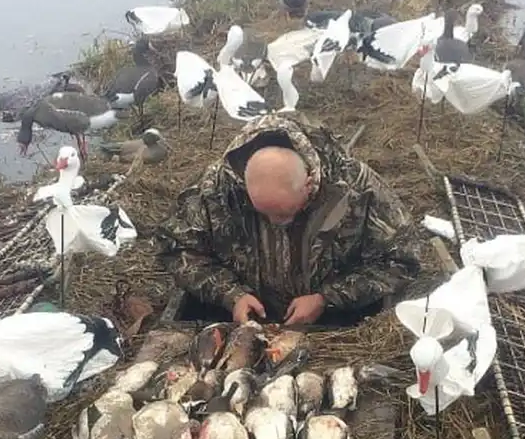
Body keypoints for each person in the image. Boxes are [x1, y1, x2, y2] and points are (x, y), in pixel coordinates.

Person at [157, 113, 420, 326]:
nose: (274, 222)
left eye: (284, 214)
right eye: (262, 213)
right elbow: (177, 248)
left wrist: (327, 298)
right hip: (244, 325)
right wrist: (231, 295)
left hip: (333, 327)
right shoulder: (213, 188)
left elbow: (401, 260)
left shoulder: (356, 187)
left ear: (310, 183)